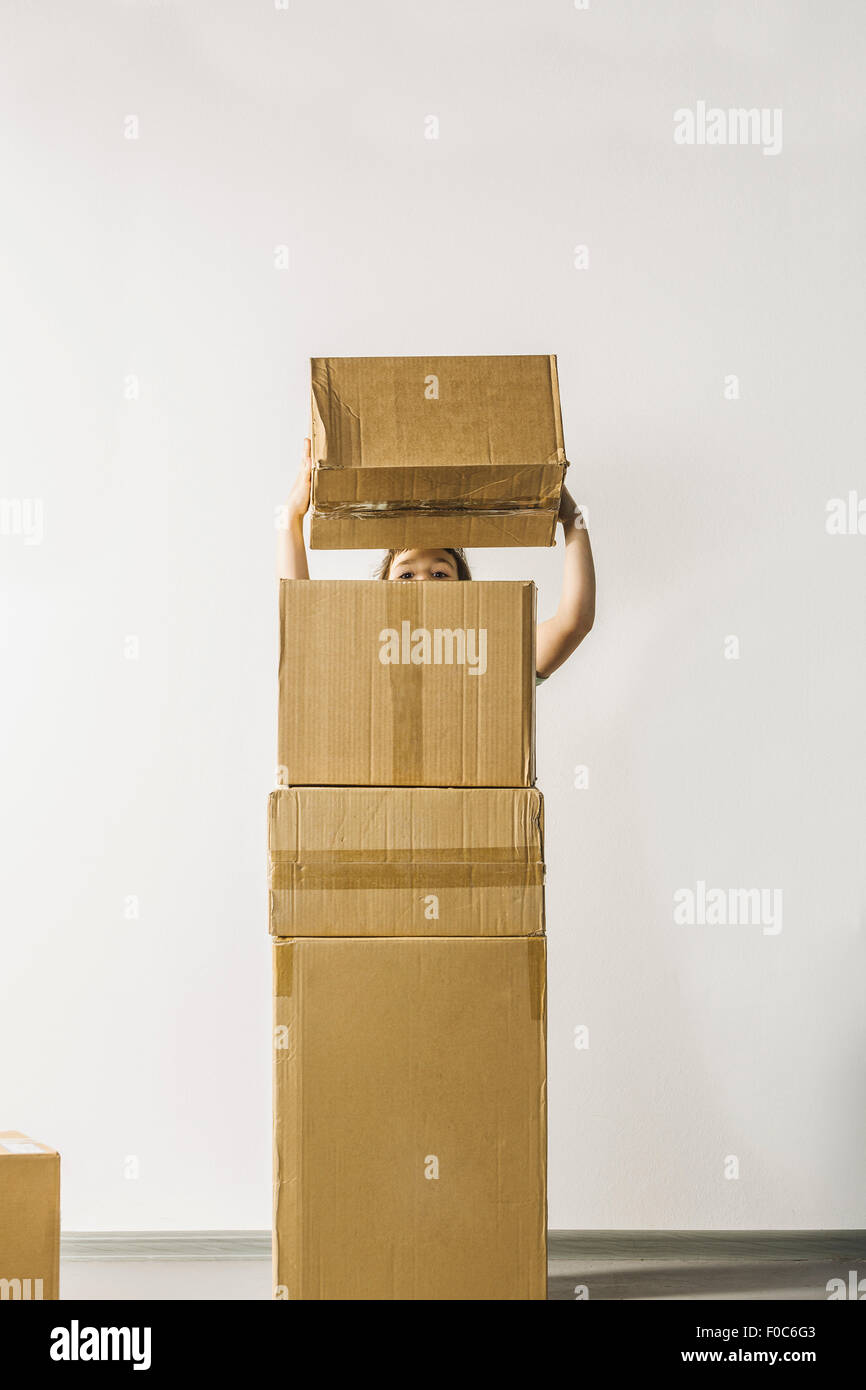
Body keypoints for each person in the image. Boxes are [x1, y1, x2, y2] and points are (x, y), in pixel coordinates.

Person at [278, 438, 596, 679]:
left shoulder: (488, 654)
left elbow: (573, 623)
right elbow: (301, 628)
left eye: (440, 574)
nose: (423, 583)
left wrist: (572, 520)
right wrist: (291, 518)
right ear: (380, 593)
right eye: (405, 575)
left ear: (465, 590)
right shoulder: (361, 656)